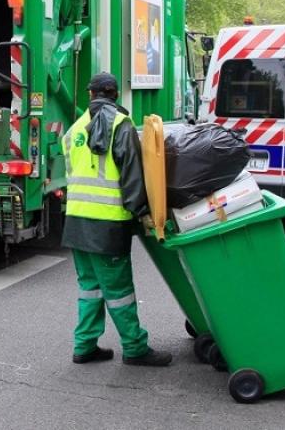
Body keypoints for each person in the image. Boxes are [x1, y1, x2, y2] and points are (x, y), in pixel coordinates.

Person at [62, 73, 171, 367]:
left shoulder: (74, 130)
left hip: (76, 222)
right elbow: (132, 176)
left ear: (90, 94)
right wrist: (144, 214)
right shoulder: (121, 126)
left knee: (89, 288)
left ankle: (84, 345)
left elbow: (72, 173)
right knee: (120, 291)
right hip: (107, 225)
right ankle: (135, 348)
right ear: (114, 94)